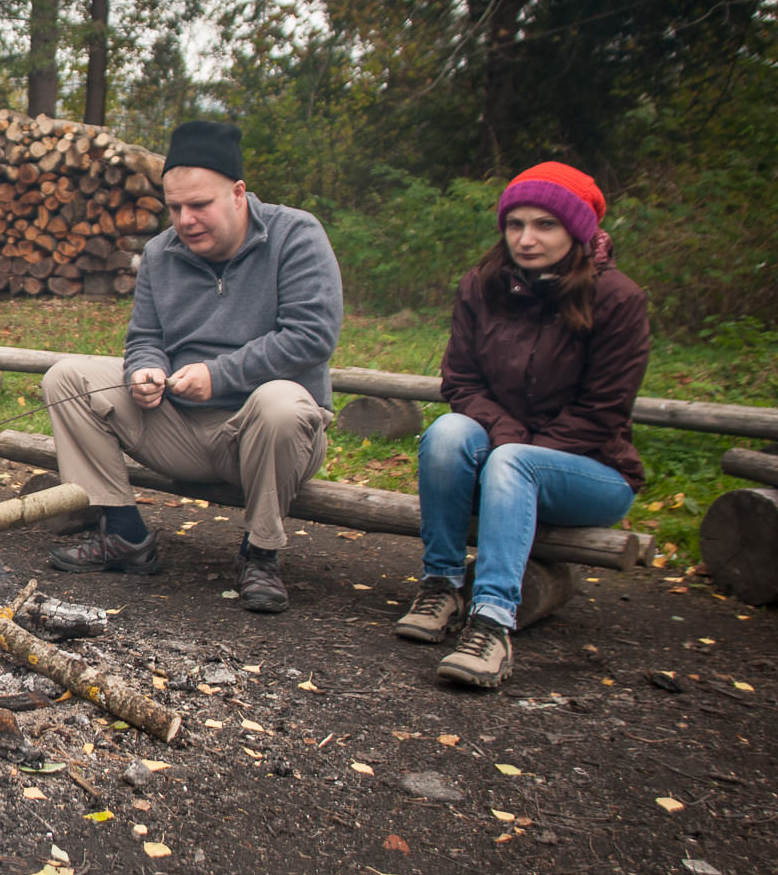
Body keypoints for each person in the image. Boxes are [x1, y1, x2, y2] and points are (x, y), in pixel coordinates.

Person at [42, 120, 342, 613]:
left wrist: (219, 376)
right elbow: (144, 339)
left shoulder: (296, 235)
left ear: (238, 193)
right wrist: (144, 371)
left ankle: (261, 554)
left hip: (268, 438)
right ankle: (124, 535)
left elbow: (311, 335)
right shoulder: (161, 253)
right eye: (175, 207)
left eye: (199, 205)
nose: (185, 219)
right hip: (182, 429)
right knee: (67, 379)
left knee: (279, 403)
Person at [395, 164, 648, 687]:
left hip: (592, 472)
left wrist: (511, 456)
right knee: (446, 433)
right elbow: (461, 382)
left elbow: (603, 411)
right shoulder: (483, 286)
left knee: (514, 462)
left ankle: (492, 622)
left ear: (577, 231)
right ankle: (442, 584)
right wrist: (506, 443)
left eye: (545, 225)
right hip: (501, 458)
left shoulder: (618, 299)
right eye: (515, 224)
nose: (526, 239)